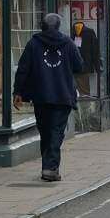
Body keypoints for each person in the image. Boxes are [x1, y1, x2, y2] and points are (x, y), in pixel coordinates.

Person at [15, 14, 82, 183]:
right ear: (58, 26)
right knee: (55, 132)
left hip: (41, 96)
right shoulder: (67, 43)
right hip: (62, 95)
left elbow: (23, 69)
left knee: (45, 132)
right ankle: (50, 168)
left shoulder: (33, 44)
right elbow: (79, 65)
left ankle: (49, 167)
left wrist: (18, 92)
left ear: (42, 26)